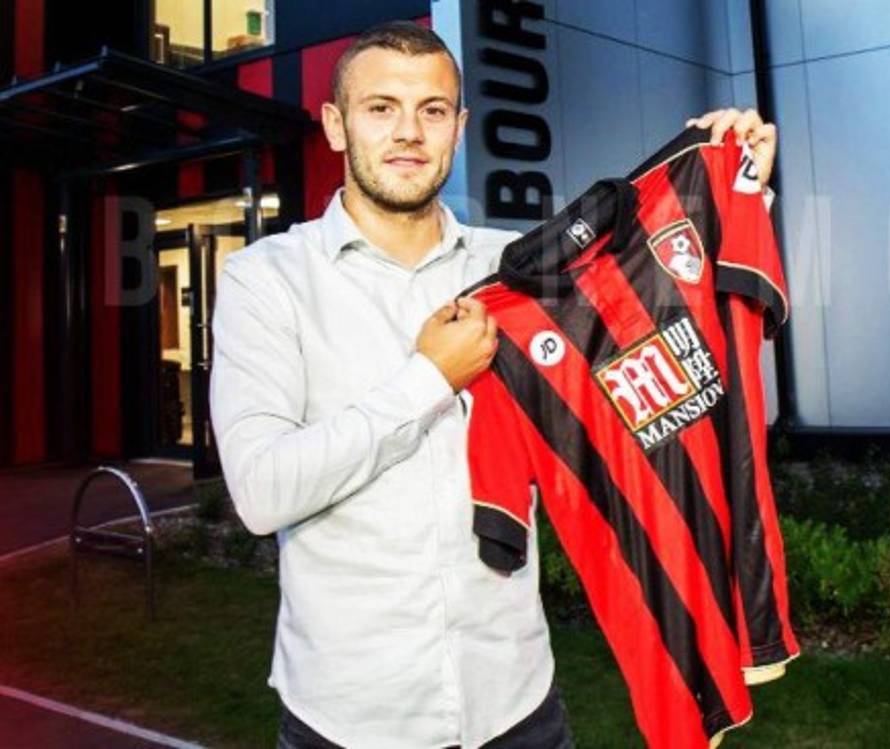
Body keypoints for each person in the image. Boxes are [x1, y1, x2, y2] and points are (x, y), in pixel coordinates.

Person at [209, 20, 779, 749]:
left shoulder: (517, 267)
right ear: (335, 126)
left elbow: (656, 321)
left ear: (459, 127)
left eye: (432, 110)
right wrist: (429, 379)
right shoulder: (266, 280)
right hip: (348, 719)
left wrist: (733, 193)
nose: (408, 132)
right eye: (381, 108)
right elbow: (261, 492)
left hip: (517, 705)